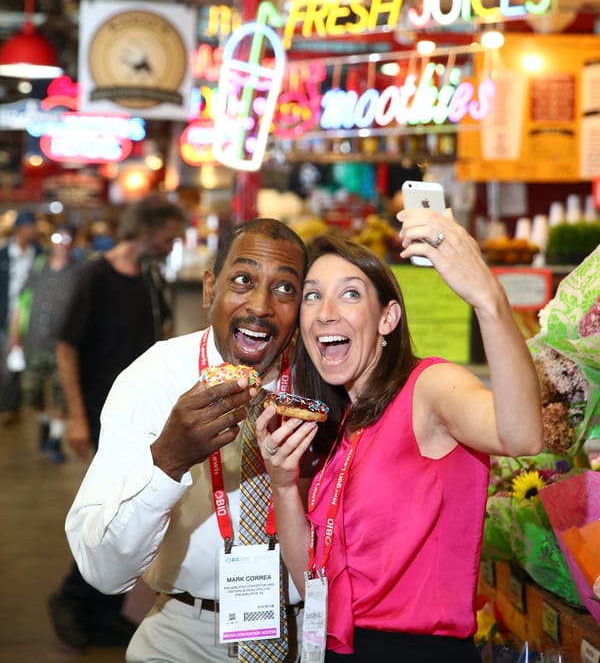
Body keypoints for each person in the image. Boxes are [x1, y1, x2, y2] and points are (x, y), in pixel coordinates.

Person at [255, 209, 544, 663]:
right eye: (312, 297)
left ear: (388, 318)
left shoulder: (427, 387)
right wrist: (284, 483)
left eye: (349, 294)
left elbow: (523, 436)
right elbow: (308, 580)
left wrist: (488, 300)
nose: (326, 313)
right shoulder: (338, 426)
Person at [64, 217, 308, 663]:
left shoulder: (323, 381)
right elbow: (102, 570)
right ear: (210, 287)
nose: (261, 305)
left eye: (285, 289)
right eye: (243, 280)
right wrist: (167, 460)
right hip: (188, 635)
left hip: (314, 630)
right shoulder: (154, 379)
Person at [48, 193, 186, 652]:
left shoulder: (150, 278)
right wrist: (73, 416)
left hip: (141, 414)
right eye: (168, 237)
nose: (172, 246)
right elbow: (66, 348)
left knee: (128, 507)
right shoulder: (96, 276)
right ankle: (71, 598)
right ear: (147, 228)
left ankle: (103, 615)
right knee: (107, 509)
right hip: (96, 410)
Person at [10, 224, 81, 462]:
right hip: (34, 340)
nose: (61, 242)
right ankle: (45, 422)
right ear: (50, 241)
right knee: (32, 391)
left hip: (64, 344)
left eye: (66, 237)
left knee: (61, 392)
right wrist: (14, 334)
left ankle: (54, 440)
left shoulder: (78, 271)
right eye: (56, 237)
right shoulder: (38, 266)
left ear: (72, 242)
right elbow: (22, 301)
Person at [0, 210, 42, 425]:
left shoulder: (39, 254)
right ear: (20, 229)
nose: (33, 230)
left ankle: (17, 404)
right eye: (30, 226)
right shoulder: (4, 254)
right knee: (7, 365)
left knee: (22, 363)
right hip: (6, 317)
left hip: (32, 319)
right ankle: (8, 406)